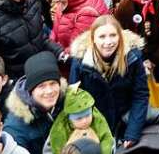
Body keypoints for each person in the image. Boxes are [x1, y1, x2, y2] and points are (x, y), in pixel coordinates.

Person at [64, 14, 150, 149]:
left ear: (119, 37)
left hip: (125, 120)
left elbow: (140, 94)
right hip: (95, 124)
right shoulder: (80, 62)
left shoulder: (133, 58)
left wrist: (133, 131)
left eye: (113, 35)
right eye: (102, 37)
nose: (108, 42)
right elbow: (75, 100)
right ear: (93, 39)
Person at [1, 51, 66, 154]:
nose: (49, 91)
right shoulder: (15, 128)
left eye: (53, 83)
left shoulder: (67, 101)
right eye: (42, 86)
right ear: (31, 91)